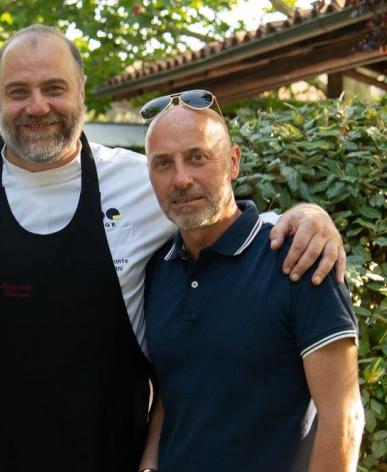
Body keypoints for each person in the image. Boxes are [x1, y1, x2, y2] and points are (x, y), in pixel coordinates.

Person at [0, 25, 346, 472]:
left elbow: (214, 210)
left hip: (110, 456)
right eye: (18, 91)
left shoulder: (141, 180)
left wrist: (305, 217)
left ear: (81, 91)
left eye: (54, 88)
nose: (37, 106)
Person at [139, 100, 363, 471]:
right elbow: (173, 391)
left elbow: (343, 416)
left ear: (233, 162)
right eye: (163, 163)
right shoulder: (158, 270)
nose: (181, 179)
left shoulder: (298, 258)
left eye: (197, 157)